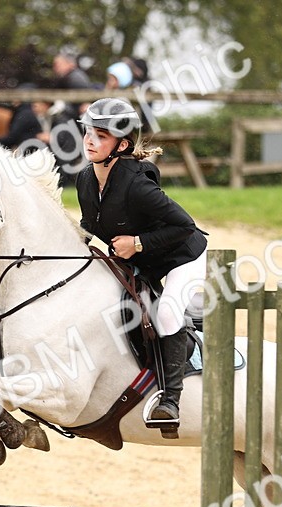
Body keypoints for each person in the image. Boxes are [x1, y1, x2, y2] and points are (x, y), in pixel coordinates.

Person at [75, 97, 207, 425]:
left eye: (101, 136)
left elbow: (184, 225)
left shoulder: (137, 186)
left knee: (166, 313)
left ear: (121, 145)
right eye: (89, 132)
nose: (90, 140)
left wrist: (137, 243)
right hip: (146, 260)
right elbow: (91, 225)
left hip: (182, 257)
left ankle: (170, 401)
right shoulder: (85, 179)